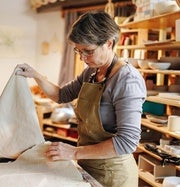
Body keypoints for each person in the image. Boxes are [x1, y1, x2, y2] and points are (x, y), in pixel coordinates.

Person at [16, 11, 146, 187]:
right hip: (87, 166)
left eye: (88, 51)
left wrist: (74, 152)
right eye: (78, 51)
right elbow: (62, 95)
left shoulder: (127, 80)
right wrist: (36, 75)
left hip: (114, 175)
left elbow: (127, 142)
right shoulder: (91, 72)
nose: (83, 58)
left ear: (109, 43)